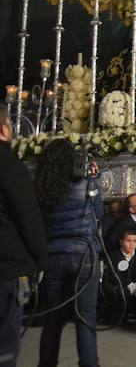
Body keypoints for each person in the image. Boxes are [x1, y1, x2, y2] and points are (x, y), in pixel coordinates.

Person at [35, 139, 103, 367]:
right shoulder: (85, 184)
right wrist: (94, 181)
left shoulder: (42, 188)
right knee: (85, 321)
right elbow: (99, 212)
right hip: (84, 256)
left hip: (53, 257)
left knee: (52, 322)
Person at [0, 106, 47, 366]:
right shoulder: (8, 163)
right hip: (6, 267)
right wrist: (40, 259)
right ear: (4, 128)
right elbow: (28, 216)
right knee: (5, 348)